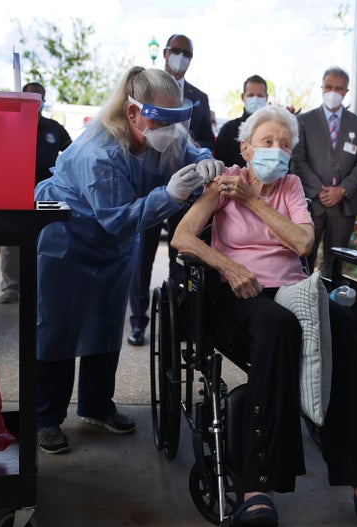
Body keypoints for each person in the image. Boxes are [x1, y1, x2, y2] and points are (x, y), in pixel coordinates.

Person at [170, 105, 357, 527]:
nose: (277, 150)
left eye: (284, 144)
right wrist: (229, 267)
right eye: (267, 142)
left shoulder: (290, 187)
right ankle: (258, 489)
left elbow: (304, 243)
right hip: (239, 292)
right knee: (277, 325)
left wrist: (253, 201)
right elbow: (182, 237)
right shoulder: (225, 183)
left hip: (292, 290)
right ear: (247, 149)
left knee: (342, 327)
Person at [34, 66, 223, 454]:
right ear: (133, 113)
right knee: (57, 330)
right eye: (162, 119)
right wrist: (169, 196)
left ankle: (97, 406)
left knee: (105, 325)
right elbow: (118, 219)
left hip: (114, 249)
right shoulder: (97, 151)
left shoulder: (163, 136)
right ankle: (45, 418)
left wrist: (205, 160)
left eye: (176, 119)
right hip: (67, 242)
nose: (170, 130)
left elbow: (191, 149)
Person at [126, 32, 216, 347]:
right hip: (149, 190)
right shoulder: (146, 88)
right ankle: (138, 322)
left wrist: (202, 159)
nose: (180, 57)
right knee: (142, 258)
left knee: (183, 258)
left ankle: (179, 319)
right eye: (176, 51)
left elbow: (206, 139)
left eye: (186, 53)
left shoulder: (199, 97)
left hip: (187, 191)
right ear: (165, 53)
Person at [292, 66, 357, 276]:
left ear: (346, 91)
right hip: (311, 202)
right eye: (328, 87)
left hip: (344, 205)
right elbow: (298, 159)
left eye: (338, 88)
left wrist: (341, 190)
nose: (333, 92)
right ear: (321, 88)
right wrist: (319, 189)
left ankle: (331, 305)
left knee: (335, 263)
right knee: (302, 259)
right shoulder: (303, 122)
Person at [0, 82, 72, 304]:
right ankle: (11, 287)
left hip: (46, 195)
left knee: (44, 242)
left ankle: (39, 286)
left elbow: (71, 154)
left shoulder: (54, 128)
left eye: (39, 99)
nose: (35, 103)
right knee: (11, 242)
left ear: (43, 101)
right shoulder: (11, 124)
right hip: (15, 192)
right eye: (30, 98)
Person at [214, 74, 269, 168]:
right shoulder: (229, 129)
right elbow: (220, 165)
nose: (255, 99)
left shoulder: (274, 130)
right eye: (251, 95)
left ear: (266, 98)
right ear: (243, 97)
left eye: (259, 96)